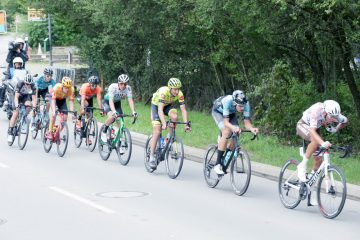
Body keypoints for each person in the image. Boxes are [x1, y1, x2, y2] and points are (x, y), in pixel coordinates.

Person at [296, 100, 348, 182]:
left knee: (318, 159)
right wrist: (322, 143)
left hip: (315, 128)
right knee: (316, 141)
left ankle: (310, 179)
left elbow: (345, 122)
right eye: (331, 116)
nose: (333, 119)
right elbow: (312, 131)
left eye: (335, 117)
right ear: (325, 113)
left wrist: (335, 129)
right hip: (303, 125)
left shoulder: (335, 115)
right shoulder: (316, 111)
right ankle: (302, 165)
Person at [211, 90, 259, 175]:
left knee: (236, 133)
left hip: (230, 113)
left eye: (243, 106)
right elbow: (226, 123)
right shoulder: (228, 101)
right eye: (240, 106)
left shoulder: (246, 104)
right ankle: (217, 164)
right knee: (226, 132)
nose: (242, 108)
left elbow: (246, 122)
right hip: (218, 111)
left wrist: (252, 129)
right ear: (234, 103)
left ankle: (225, 160)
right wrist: (233, 127)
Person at [149, 77, 191, 168]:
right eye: (175, 89)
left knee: (174, 116)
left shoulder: (180, 94)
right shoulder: (164, 92)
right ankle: (151, 156)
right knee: (157, 130)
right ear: (170, 88)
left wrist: (186, 124)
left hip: (167, 105)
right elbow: (160, 110)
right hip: (156, 106)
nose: (176, 91)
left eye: (178, 89)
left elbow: (183, 110)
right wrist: (163, 123)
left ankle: (170, 136)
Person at [7, 74, 36, 142]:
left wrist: (34, 107)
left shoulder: (33, 86)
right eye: (26, 84)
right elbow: (16, 97)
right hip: (18, 96)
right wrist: (17, 106)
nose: (28, 85)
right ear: (24, 82)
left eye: (29, 84)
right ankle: (10, 132)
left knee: (29, 105)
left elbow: (34, 99)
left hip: (25, 96)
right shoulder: (20, 83)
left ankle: (24, 119)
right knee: (16, 112)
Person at [76, 75, 103, 144]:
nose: (94, 86)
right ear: (90, 84)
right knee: (86, 106)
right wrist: (82, 109)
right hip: (81, 97)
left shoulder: (98, 89)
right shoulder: (85, 87)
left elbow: (99, 99)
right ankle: (79, 119)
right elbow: (82, 100)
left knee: (90, 118)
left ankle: (87, 139)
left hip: (89, 99)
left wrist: (101, 110)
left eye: (95, 85)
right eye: (92, 85)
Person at [31, 67, 55, 131]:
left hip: (44, 90)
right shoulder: (39, 79)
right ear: (44, 75)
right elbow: (35, 90)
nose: (49, 77)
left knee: (48, 100)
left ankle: (46, 112)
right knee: (36, 106)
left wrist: (51, 99)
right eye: (47, 76)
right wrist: (36, 101)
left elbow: (52, 91)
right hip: (37, 90)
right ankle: (33, 121)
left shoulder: (52, 81)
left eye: (50, 76)